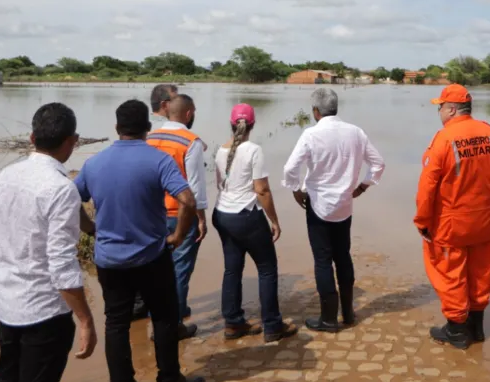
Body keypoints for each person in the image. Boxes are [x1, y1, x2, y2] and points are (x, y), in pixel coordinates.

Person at [74, 100, 204, 382]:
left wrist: (89, 228)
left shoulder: (94, 163)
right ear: (148, 128)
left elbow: (70, 198)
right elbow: (187, 200)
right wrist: (178, 237)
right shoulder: (158, 160)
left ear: (117, 129)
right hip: (152, 256)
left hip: (110, 261)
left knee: (116, 323)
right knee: (163, 317)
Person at [0, 103, 97, 382]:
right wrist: (85, 319)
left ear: (32, 138)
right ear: (73, 142)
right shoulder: (61, 189)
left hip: (9, 305)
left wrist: (3, 284)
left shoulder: (6, 176)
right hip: (44, 312)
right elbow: (61, 265)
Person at [414, 84, 490, 350]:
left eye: (441, 106)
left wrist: (422, 220)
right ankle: (477, 326)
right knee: (481, 269)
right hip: (484, 219)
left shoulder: (444, 139)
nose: (439, 111)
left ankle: (457, 330)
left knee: (450, 272)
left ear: (452, 109)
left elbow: (427, 186)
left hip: (451, 222)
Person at [282, 86, 385, 332]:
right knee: (343, 256)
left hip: (317, 205)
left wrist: (296, 189)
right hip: (344, 206)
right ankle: (348, 314)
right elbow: (378, 163)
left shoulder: (310, 135)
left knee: (322, 260)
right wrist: (362, 187)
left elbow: (289, 169)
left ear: (316, 111)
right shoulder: (356, 133)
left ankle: (328, 318)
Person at [212, 103, 297, 343]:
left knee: (232, 269)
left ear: (231, 124)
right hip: (246, 216)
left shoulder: (220, 151)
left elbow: (221, 184)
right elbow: (262, 190)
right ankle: (272, 324)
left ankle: (233, 322)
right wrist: (275, 221)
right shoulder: (254, 150)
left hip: (222, 215)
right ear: (253, 125)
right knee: (267, 268)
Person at [146, 93, 208, 331]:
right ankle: (174, 324)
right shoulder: (190, 141)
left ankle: (158, 316)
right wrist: (201, 219)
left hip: (152, 215)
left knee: (155, 269)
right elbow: (194, 187)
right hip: (180, 215)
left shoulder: (148, 137)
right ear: (189, 114)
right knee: (180, 269)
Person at [130, 83, 179, 321]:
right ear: (164, 105)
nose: (178, 104)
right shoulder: (163, 130)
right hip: (163, 207)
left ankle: (143, 308)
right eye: (175, 100)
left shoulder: (143, 128)